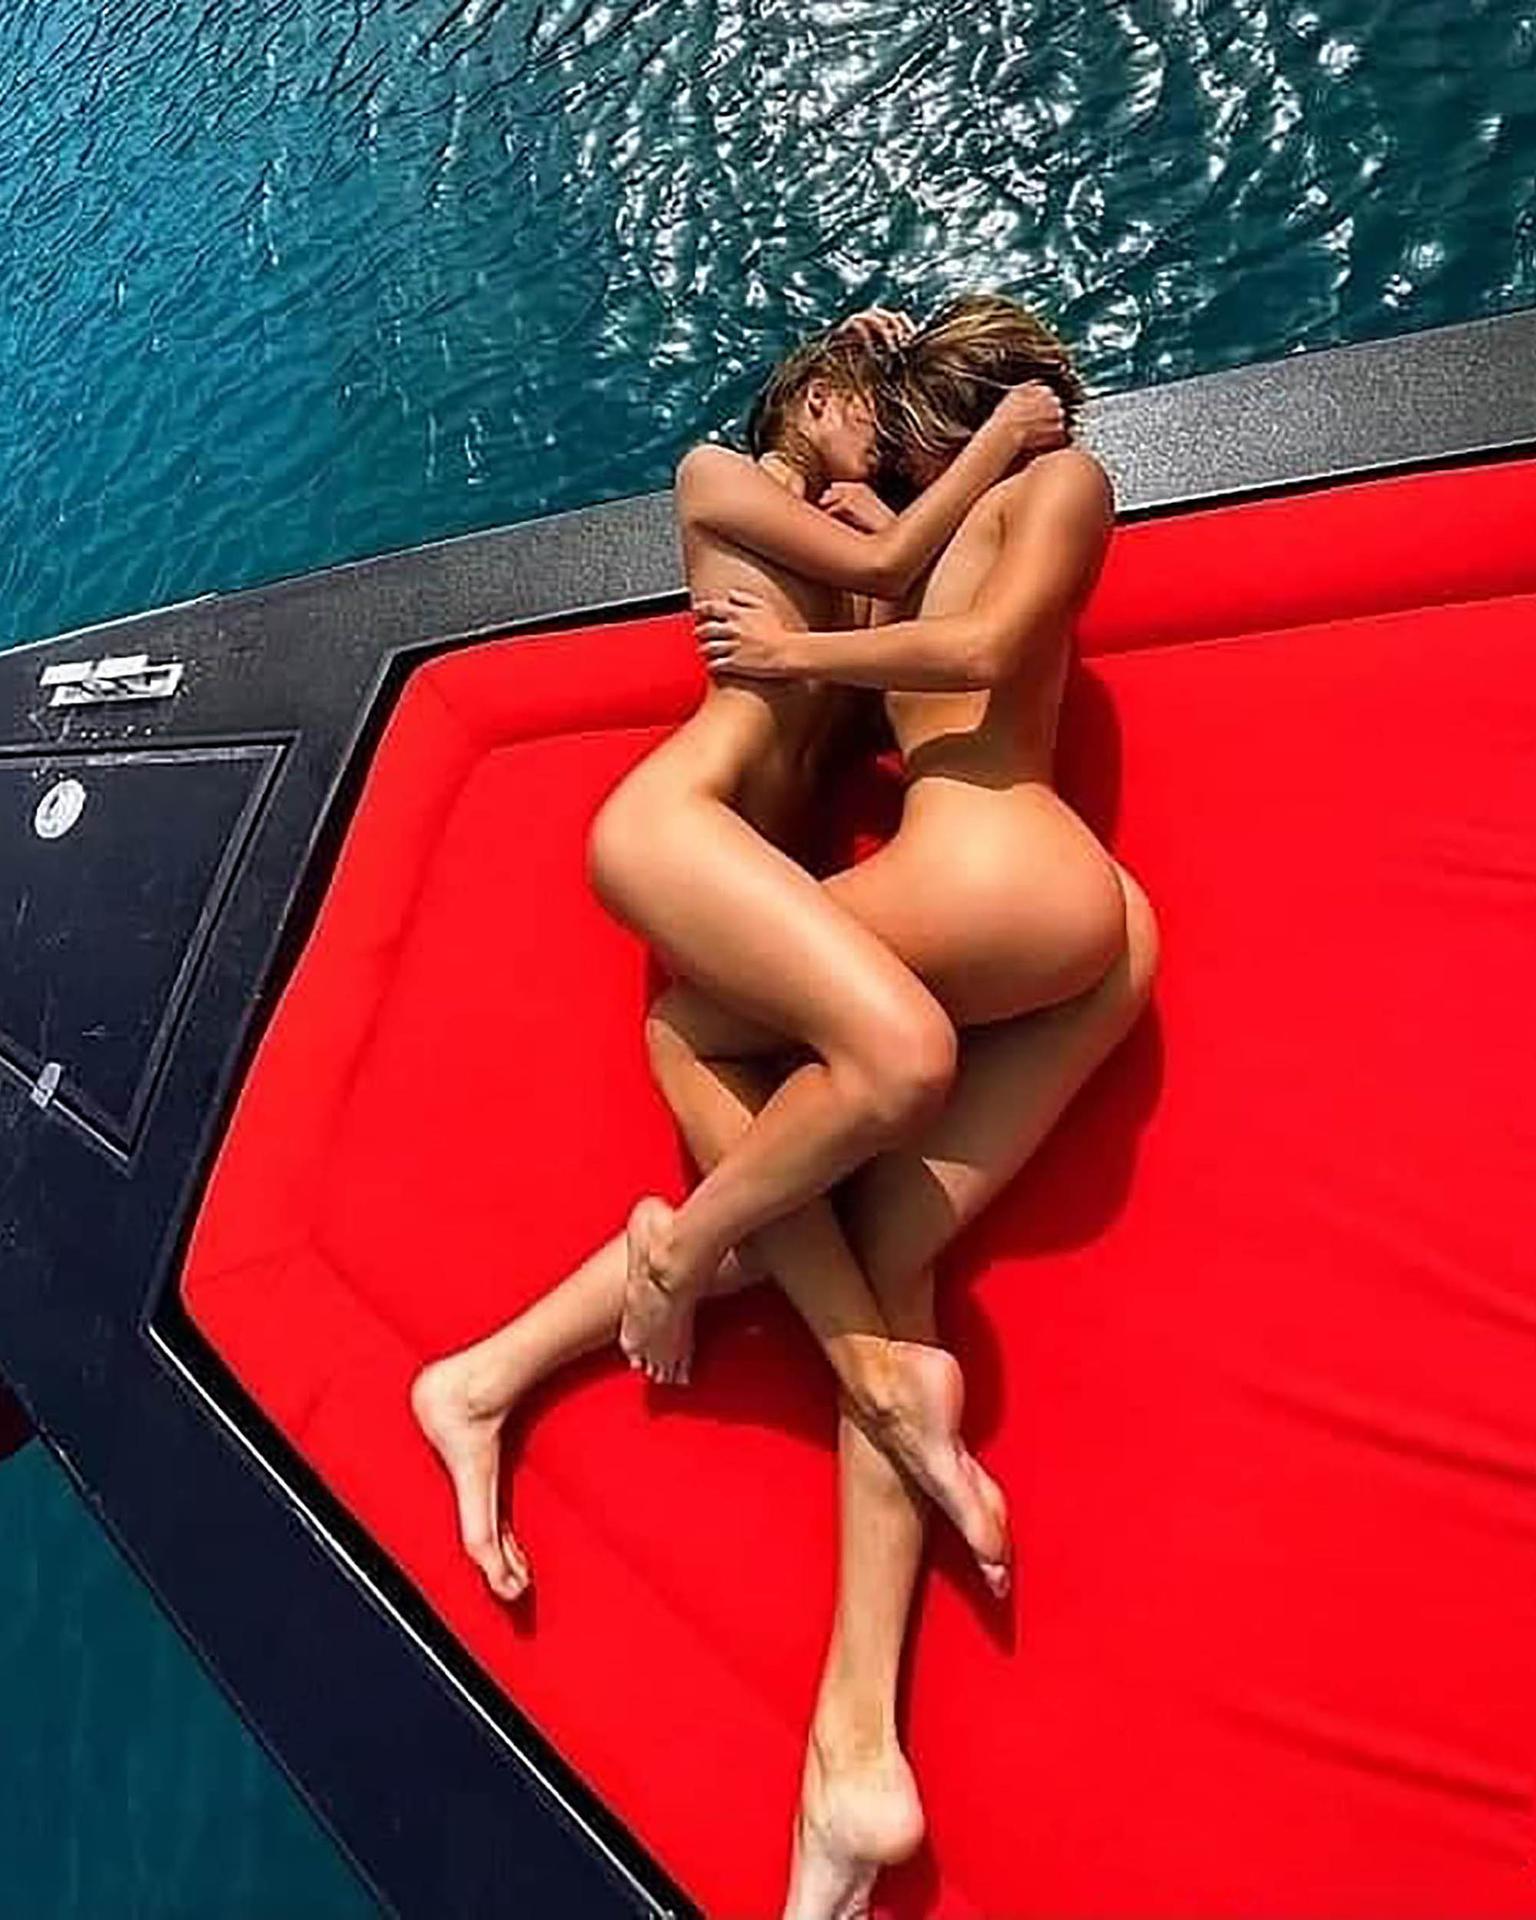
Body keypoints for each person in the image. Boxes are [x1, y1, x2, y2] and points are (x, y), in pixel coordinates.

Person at [413, 310, 1064, 1606]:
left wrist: (869, 377)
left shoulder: (847, 557)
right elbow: (898, 550)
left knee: (816, 1175)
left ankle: (483, 1381)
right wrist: (996, 434)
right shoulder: (716, 476)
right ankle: (692, 1283)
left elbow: (914, 593)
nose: (895, 438)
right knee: (899, 1061)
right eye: (871, 404)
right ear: (811, 402)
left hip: (751, 883)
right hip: (675, 830)